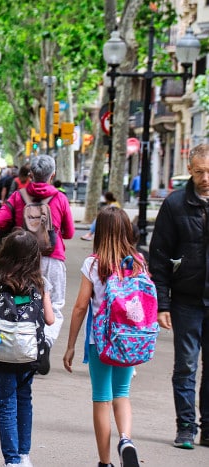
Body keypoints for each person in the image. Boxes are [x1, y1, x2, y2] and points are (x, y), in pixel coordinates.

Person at [63, 207, 144, 467]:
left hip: (101, 341)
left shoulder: (93, 264)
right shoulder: (138, 262)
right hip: (129, 340)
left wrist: (71, 346)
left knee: (101, 398)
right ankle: (126, 440)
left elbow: (80, 307)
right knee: (122, 393)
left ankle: (105, 462)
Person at [0, 229, 55, 467]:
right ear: (33, 256)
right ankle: (25, 455)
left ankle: (12, 460)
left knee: (6, 403)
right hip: (28, 351)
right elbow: (49, 319)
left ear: (4, 253)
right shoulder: (39, 282)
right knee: (24, 398)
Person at [149, 143, 209, 449]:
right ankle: (186, 426)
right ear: (190, 169)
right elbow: (158, 258)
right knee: (186, 366)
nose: (206, 177)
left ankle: (208, 428)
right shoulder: (174, 205)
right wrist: (163, 304)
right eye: (200, 171)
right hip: (186, 301)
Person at [0, 155, 75, 375]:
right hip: (53, 258)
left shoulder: (18, 197)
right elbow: (70, 232)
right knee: (54, 306)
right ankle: (45, 343)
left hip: (24, 261)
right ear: (53, 175)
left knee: (23, 301)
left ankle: (23, 347)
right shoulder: (60, 198)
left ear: (30, 175)